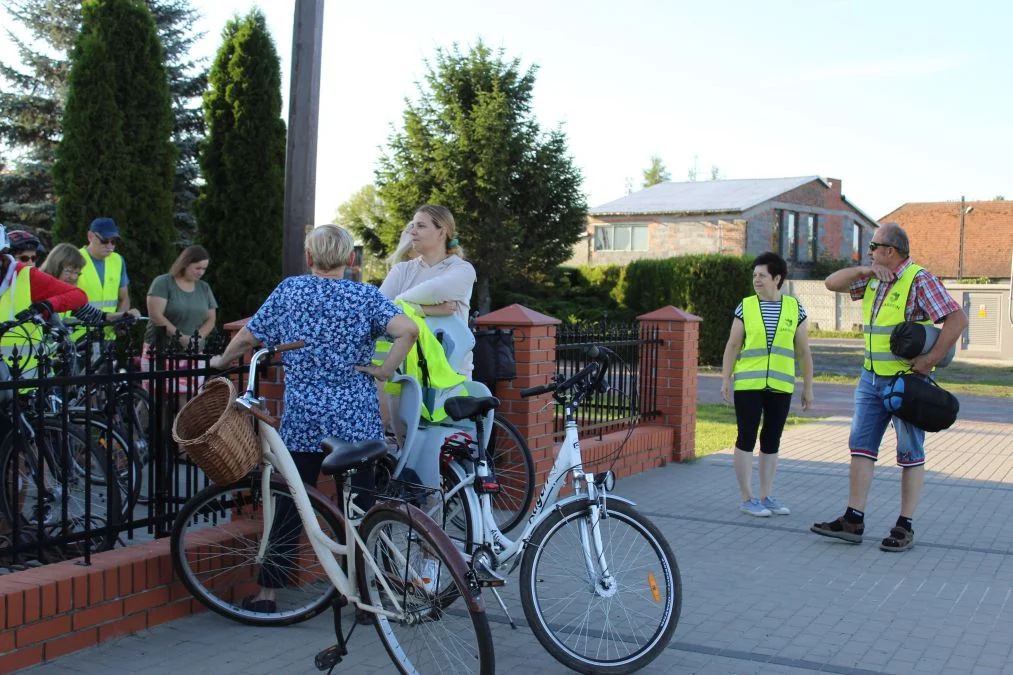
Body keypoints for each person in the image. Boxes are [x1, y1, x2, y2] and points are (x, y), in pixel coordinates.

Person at [209, 224, 418, 612]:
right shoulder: (365, 296)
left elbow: (248, 337)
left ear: (309, 258)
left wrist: (221, 361)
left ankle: (269, 593)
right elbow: (408, 330)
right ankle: (366, 597)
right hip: (355, 419)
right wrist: (385, 370)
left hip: (304, 416)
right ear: (350, 259)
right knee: (360, 505)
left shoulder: (290, 291)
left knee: (290, 499)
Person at [811, 223, 966, 552]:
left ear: (890, 251)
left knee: (910, 452)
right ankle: (853, 519)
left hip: (906, 382)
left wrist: (931, 360)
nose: (869, 251)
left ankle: (904, 525)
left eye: (873, 247)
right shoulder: (871, 278)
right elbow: (830, 283)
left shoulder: (919, 279)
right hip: (870, 378)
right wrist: (864, 269)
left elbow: (957, 319)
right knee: (861, 446)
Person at [721, 252, 814, 517]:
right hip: (749, 384)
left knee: (772, 439)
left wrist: (808, 387)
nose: (756, 280)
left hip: (781, 385)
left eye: (761, 275)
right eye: (754, 275)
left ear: (777, 278)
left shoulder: (795, 308)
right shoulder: (746, 306)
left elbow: (804, 352)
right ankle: (747, 497)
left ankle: (766, 495)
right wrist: (726, 379)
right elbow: (733, 345)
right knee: (746, 436)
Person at [39, 243, 139, 325]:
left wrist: (124, 315)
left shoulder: (68, 294)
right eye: (69, 271)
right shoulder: (37, 290)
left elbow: (95, 315)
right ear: (55, 267)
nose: (73, 277)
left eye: (77, 273)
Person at [145, 245, 217, 352]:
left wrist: (197, 339)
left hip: (194, 352)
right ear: (185, 264)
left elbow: (211, 319)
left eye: (204, 269)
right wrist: (181, 338)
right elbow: (156, 316)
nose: (201, 272)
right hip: (161, 351)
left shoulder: (204, 287)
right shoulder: (163, 283)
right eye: (197, 268)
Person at [78, 217, 132, 326]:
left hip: (107, 335)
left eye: (114, 242)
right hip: (79, 335)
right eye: (104, 241)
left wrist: (120, 322)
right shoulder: (74, 258)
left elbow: (124, 298)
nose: (109, 246)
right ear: (90, 236)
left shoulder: (118, 260)